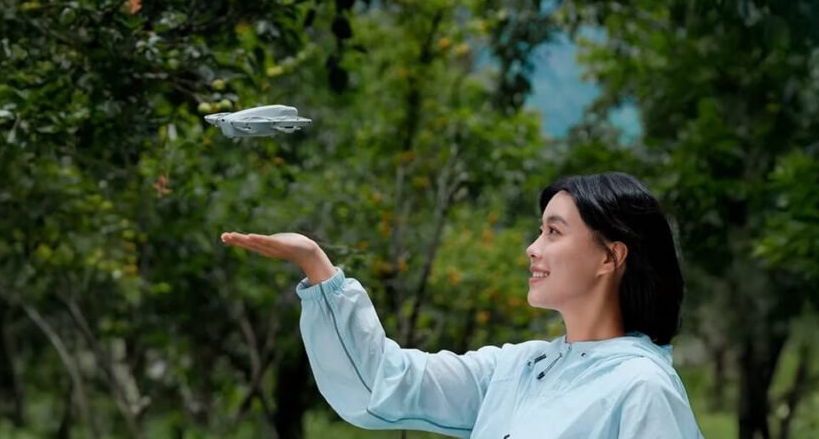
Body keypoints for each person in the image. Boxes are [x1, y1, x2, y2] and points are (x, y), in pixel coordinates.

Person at [221, 172, 704, 438]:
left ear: (610, 256)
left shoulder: (641, 388)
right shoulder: (519, 370)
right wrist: (318, 268)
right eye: (539, 230)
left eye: (554, 232)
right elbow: (386, 383)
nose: (532, 248)